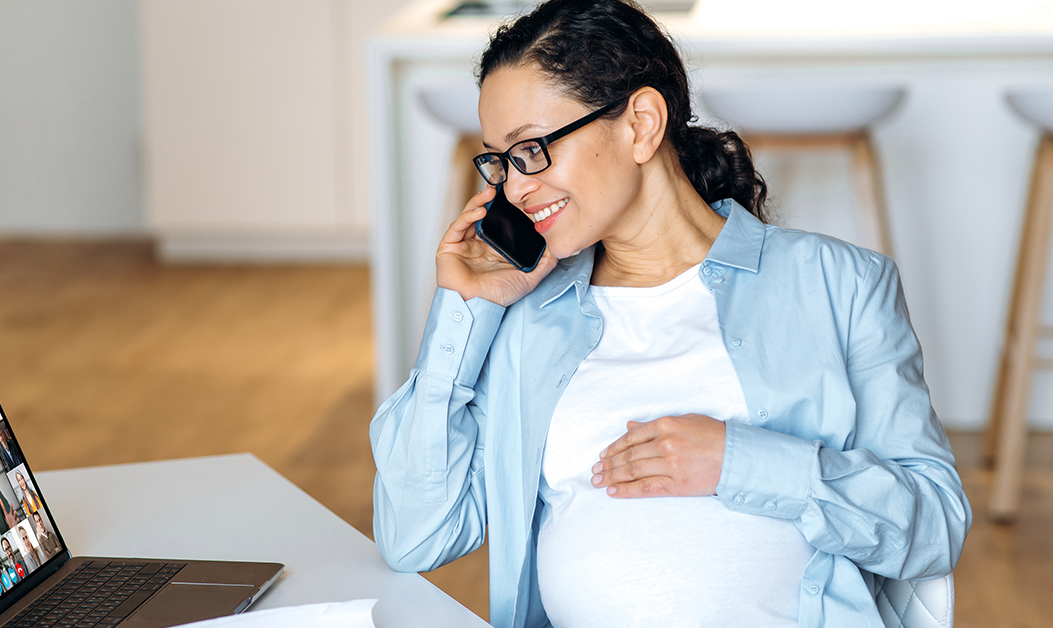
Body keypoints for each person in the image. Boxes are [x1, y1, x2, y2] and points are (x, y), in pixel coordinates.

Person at [368, 2, 972, 627]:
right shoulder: (525, 319)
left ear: (641, 124)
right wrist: (463, 313)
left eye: (531, 150)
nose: (515, 189)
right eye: (499, 160)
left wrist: (739, 460)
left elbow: (933, 526)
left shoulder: (839, 285)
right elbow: (417, 536)